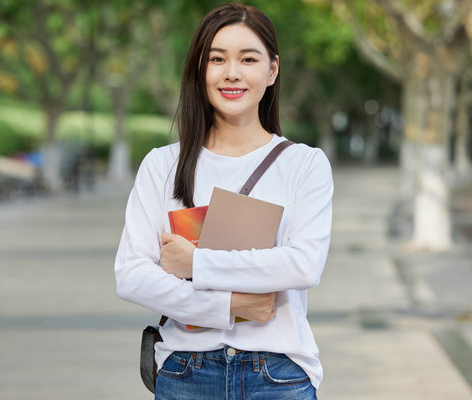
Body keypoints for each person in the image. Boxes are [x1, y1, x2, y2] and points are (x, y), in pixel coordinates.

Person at [115, 3, 333, 399]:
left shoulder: (305, 164)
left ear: (272, 71)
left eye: (248, 59)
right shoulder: (162, 165)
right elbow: (131, 275)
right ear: (201, 71)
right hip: (185, 373)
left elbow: (303, 264)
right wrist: (230, 305)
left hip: (278, 374)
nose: (232, 72)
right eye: (217, 59)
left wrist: (196, 263)